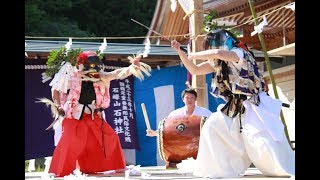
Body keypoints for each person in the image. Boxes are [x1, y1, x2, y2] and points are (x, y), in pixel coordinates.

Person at [171, 29, 295, 178]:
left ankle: (283, 168)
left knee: (263, 144)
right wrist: (180, 51)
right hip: (234, 107)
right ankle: (220, 170)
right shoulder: (219, 62)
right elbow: (195, 69)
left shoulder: (240, 52)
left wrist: (195, 54)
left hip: (253, 105)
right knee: (212, 127)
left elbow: (218, 53)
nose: (210, 49)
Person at [43, 51, 150, 177]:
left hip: (93, 115)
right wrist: (58, 105)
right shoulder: (72, 76)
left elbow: (115, 74)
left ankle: (102, 167)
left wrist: (132, 68)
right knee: (70, 141)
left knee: (110, 137)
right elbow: (55, 89)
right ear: (81, 66)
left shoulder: (100, 76)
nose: (92, 73)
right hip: (73, 116)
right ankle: (59, 171)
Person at [146, 88, 212, 137]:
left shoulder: (205, 113)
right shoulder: (175, 114)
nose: (189, 100)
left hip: (201, 145)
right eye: (187, 98)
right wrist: (154, 133)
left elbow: (214, 126)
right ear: (183, 99)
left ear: (195, 99)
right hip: (182, 147)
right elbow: (167, 129)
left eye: (192, 97)